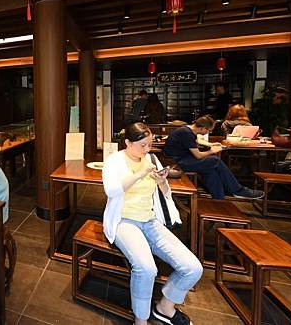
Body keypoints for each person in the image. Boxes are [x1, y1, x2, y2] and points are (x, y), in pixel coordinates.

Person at [103, 123, 202, 325]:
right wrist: (139, 174)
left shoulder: (151, 159)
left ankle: (165, 308)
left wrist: (162, 182)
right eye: (142, 145)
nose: (147, 150)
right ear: (128, 143)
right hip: (124, 221)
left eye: (149, 145)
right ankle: (140, 320)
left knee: (193, 268)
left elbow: (166, 194)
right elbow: (111, 191)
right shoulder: (114, 160)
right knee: (146, 269)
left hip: (149, 220)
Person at [163, 115, 263, 200]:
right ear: (202, 128)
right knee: (215, 160)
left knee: (210, 169)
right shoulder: (186, 133)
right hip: (177, 164)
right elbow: (198, 155)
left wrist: (210, 144)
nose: (208, 133)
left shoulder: (187, 129)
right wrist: (212, 150)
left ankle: (219, 201)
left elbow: (196, 141)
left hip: (182, 159)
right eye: (208, 131)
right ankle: (238, 190)